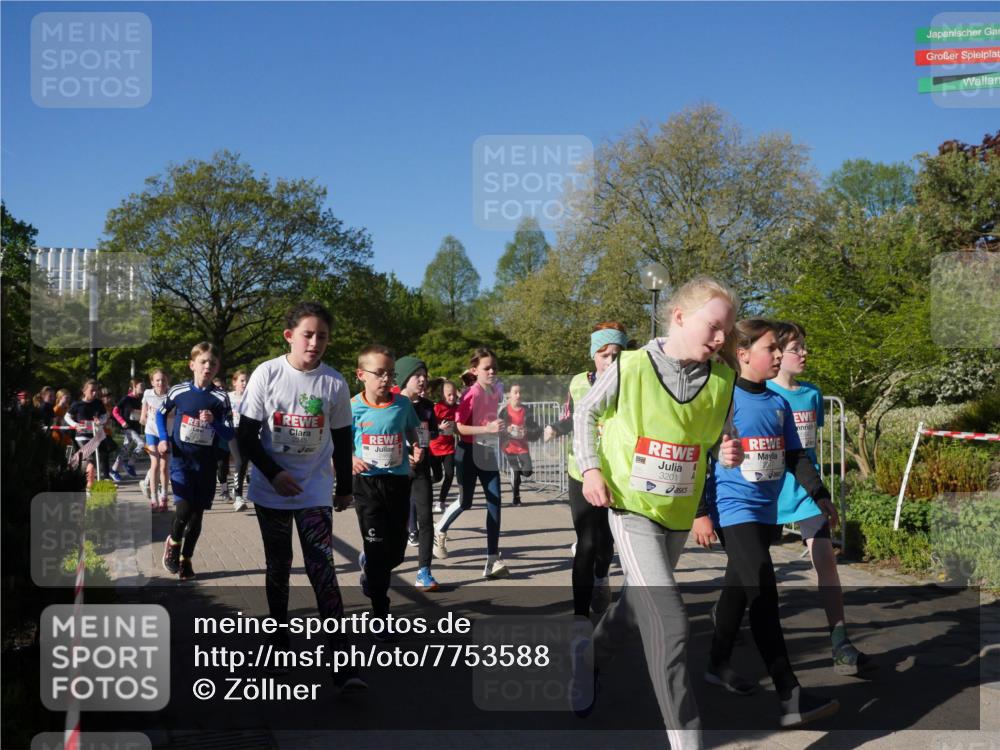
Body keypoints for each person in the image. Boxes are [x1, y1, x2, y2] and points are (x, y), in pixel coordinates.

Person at [574, 276, 742, 750]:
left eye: (726, 332)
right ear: (679, 316)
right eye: (713, 328)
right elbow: (586, 412)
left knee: (636, 603)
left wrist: (727, 450)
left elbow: (718, 436)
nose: (720, 339)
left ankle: (588, 661)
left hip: (678, 512)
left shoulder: (723, 380)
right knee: (669, 619)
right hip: (630, 506)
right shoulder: (630, 366)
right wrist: (590, 471)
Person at [692, 318, 840, 729]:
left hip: (765, 511)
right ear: (743, 354)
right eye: (771, 348)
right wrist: (701, 512)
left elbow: (795, 456)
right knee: (763, 589)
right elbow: (700, 454)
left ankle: (717, 663)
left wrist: (821, 495)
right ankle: (790, 695)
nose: (778, 355)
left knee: (737, 589)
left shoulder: (777, 403)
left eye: (780, 349)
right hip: (732, 509)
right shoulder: (723, 398)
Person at [236, 301, 366, 693]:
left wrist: (344, 487)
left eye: (322, 336)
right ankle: (278, 643)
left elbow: (343, 440)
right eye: (307, 334)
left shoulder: (334, 383)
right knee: (279, 566)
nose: (315, 342)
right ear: (289, 336)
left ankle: (342, 662)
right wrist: (274, 474)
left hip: (312, 489)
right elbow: (245, 437)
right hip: (271, 489)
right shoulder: (268, 374)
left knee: (322, 569)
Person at [768, 321, 872, 675]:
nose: (804, 353)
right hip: (767, 492)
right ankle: (728, 623)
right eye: (797, 348)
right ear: (777, 354)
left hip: (807, 491)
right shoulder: (760, 392)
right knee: (749, 572)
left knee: (826, 561)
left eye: (804, 347)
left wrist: (821, 492)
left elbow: (806, 451)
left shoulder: (812, 394)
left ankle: (840, 642)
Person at [544, 322, 628, 617]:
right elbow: (570, 416)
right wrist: (555, 427)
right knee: (587, 542)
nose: (611, 362)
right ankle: (579, 617)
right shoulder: (579, 382)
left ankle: (602, 576)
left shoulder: (629, 381)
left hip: (616, 473)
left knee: (606, 542)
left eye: (617, 355)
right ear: (594, 355)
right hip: (580, 471)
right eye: (605, 355)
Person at [351, 345, 423, 628]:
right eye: (379, 373)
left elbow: (411, 428)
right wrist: (350, 458)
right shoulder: (352, 406)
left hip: (397, 482)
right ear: (361, 374)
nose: (385, 379)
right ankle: (380, 614)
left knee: (397, 552)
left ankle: (370, 568)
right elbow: (338, 440)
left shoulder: (402, 404)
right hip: (367, 484)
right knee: (379, 552)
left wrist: (417, 445)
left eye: (390, 374)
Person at [157, 343, 234, 582]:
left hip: (206, 464)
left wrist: (214, 423)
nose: (208, 367)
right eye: (203, 362)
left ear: (217, 368)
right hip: (181, 460)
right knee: (183, 509)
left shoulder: (220, 398)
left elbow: (230, 433)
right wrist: (162, 439)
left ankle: (186, 559)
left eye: (212, 363)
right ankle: (173, 542)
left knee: (197, 516)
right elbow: (160, 413)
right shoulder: (178, 391)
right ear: (192, 365)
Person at [433, 348, 509, 579]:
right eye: (487, 368)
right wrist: (486, 428)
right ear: (475, 370)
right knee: (465, 502)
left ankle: (492, 560)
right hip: (466, 453)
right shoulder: (470, 394)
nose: (493, 371)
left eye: (495, 367)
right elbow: (459, 428)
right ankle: (440, 529)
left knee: (495, 502)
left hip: (487, 452)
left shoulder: (496, 390)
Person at [396, 357, 441, 591]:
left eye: (425, 375)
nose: (423, 380)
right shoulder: (392, 404)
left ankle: (424, 571)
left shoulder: (428, 406)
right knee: (394, 523)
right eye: (417, 376)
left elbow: (430, 432)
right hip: (396, 470)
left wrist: (423, 444)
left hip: (421, 470)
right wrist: (406, 450)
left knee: (425, 520)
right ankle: (372, 557)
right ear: (405, 378)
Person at [499, 383, 542, 506]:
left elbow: (532, 425)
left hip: (522, 445)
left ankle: (515, 478)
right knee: (516, 471)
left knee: (527, 471)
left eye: (520, 392)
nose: (518, 395)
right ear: (509, 395)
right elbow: (499, 428)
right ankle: (516, 497)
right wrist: (507, 429)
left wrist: (527, 430)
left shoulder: (526, 410)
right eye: (515, 392)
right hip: (508, 446)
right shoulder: (504, 411)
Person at [65, 380, 109, 488]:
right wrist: (75, 425)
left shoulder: (98, 403)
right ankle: (88, 487)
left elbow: (105, 415)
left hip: (96, 435)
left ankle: (102, 479)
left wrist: (101, 421)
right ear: (84, 391)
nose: (94, 393)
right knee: (90, 461)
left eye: (96, 390)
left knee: (102, 457)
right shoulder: (77, 404)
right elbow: (67, 416)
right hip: (82, 437)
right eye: (92, 391)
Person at [141, 370, 171, 511]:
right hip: (151, 433)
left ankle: (164, 497)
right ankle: (153, 498)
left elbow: (176, 415)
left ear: (167, 381)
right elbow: (143, 415)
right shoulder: (147, 393)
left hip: (166, 434)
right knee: (155, 464)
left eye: (163, 380)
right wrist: (144, 419)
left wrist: (165, 415)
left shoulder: (171, 395)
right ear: (152, 382)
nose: (160, 383)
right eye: (157, 380)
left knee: (164, 466)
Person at [429, 379, 459, 514]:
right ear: (442, 395)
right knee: (437, 477)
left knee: (450, 474)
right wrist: (439, 427)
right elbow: (428, 426)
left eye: (454, 394)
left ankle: (441, 501)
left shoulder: (457, 408)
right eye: (449, 395)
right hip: (434, 447)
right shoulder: (436, 408)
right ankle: (422, 488)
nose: (452, 397)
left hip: (449, 447)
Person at [111, 378, 145, 481]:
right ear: (134, 387)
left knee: (126, 448)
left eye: (144, 387)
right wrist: (122, 422)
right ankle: (130, 464)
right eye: (141, 387)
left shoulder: (141, 399)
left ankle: (113, 469)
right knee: (142, 444)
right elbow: (115, 411)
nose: (143, 389)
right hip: (128, 427)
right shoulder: (126, 399)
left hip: (136, 427)